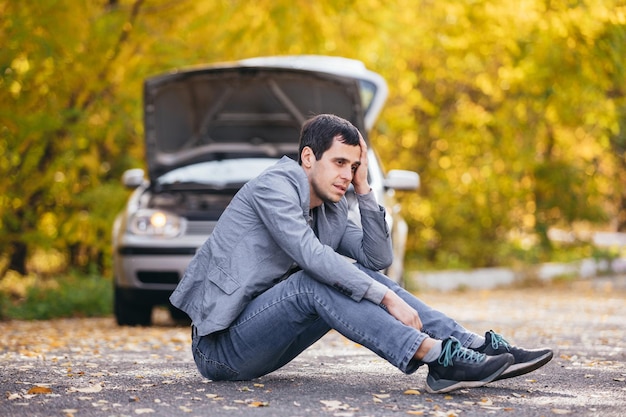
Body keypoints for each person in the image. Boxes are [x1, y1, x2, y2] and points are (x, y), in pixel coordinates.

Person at [170, 114, 553, 394]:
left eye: (353, 166)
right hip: (220, 349)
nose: (346, 174)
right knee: (314, 281)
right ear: (308, 158)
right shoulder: (274, 187)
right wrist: (387, 299)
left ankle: (472, 346)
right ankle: (435, 356)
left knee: (362, 278)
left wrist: (365, 189)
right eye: (339, 163)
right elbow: (312, 257)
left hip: (267, 340)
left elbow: (376, 258)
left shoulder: (332, 206)